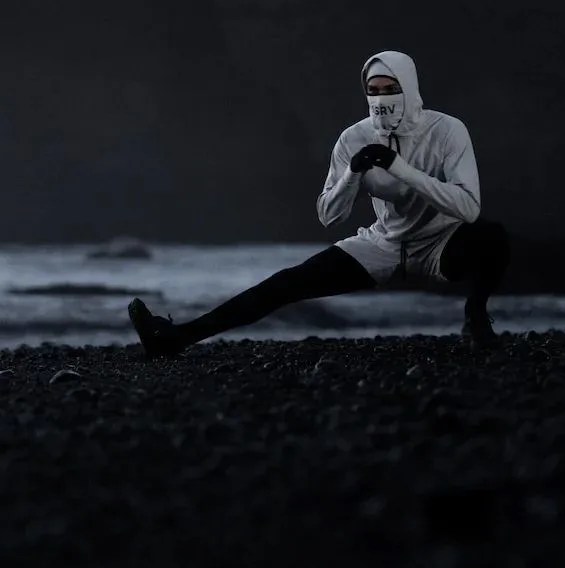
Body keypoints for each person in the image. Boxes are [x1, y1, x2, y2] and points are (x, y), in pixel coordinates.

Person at [128, 50, 510, 357]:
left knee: (493, 237)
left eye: (389, 87)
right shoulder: (354, 137)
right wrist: (352, 174)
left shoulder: (446, 130)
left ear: (408, 88)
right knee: (286, 283)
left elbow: (469, 207)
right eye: (372, 90)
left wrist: (400, 168)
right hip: (384, 244)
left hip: (440, 242)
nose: (380, 97)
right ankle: (176, 338)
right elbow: (329, 215)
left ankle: (475, 318)